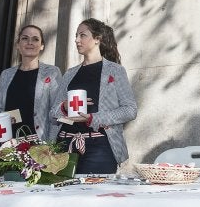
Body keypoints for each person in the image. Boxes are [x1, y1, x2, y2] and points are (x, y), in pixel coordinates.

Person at [51, 18, 137, 174]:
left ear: (98, 39)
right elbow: (53, 112)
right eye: (76, 36)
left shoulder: (115, 71)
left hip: (99, 147)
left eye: (82, 35)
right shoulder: (70, 73)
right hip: (65, 145)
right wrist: (63, 107)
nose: (77, 40)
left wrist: (92, 118)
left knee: (95, 196)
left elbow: (130, 110)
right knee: (62, 196)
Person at [0, 24, 62, 142]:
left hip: (38, 147)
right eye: (25, 38)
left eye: (35, 39)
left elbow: (56, 112)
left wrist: (51, 146)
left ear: (42, 46)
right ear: (18, 45)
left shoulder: (52, 72)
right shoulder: (6, 75)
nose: (30, 42)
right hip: (7, 145)